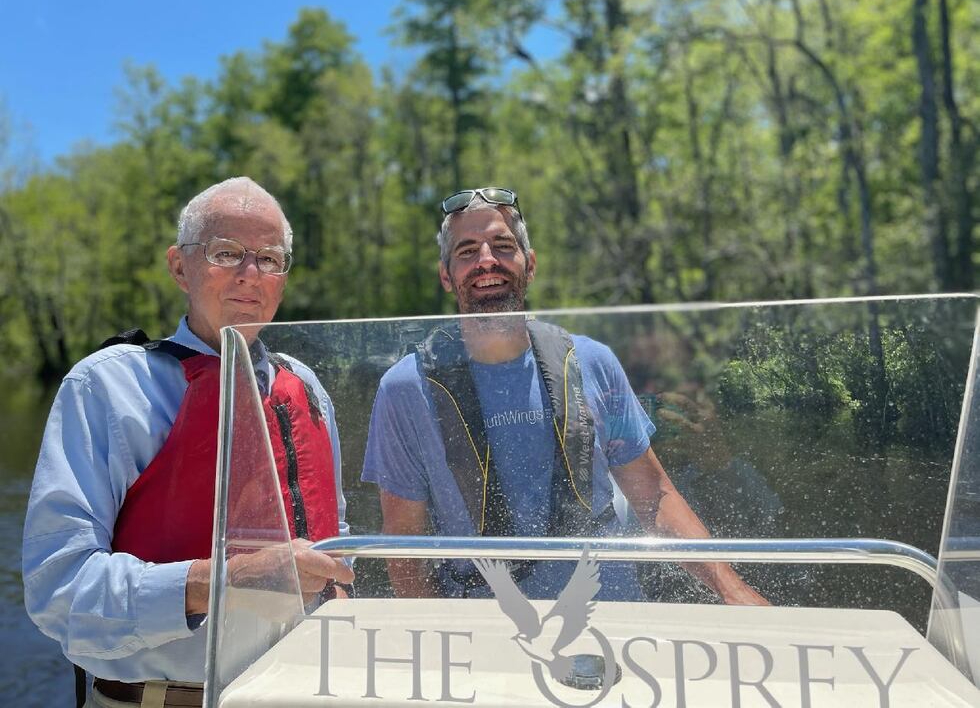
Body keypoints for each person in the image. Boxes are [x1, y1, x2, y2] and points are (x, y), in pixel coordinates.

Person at [22, 177, 354, 707]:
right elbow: (57, 592)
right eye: (226, 253)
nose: (250, 275)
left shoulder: (307, 389)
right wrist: (226, 580)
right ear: (180, 267)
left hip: (301, 691)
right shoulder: (106, 387)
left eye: (269, 259)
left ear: (284, 280)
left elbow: (336, 539)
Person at [362, 186, 767, 604]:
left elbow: (655, 498)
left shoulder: (594, 361)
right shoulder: (405, 389)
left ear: (530, 264)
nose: (486, 261)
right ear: (446, 275)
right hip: (486, 633)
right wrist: (442, 647)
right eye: (467, 251)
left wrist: (731, 589)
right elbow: (405, 552)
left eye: (503, 246)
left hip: (609, 614)